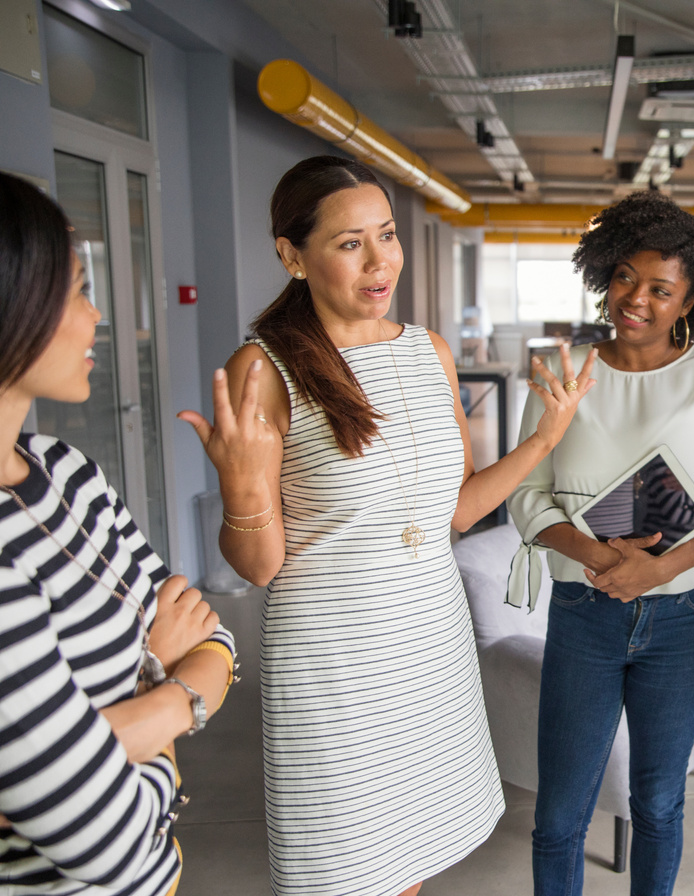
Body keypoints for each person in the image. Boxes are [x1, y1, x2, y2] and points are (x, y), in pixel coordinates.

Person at [177, 156, 595, 896]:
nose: (380, 262)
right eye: (349, 243)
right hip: (334, 661)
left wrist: (543, 440)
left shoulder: (428, 351)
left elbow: (456, 512)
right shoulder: (265, 369)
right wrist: (241, 485)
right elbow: (261, 566)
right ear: (291, 255)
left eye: (388, 236)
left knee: (408, 865)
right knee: (344, 869)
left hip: (428, 643)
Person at [507, 190, 694, 896]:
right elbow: (526, 496)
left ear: (690, 300)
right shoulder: (564, 375)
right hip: (584, 611)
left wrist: (659, 570)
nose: (635, 299)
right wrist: (598, 558)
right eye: (624, 277)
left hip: (687, 619)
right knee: (559, 815)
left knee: (657, 803)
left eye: (660, 288)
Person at [0, 172, 236, 894]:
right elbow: (115, 842)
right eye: (75, 289)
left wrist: (134, 704)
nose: (98, 314)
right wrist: (165, 683)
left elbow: (214, 640)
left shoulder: (66, 470)